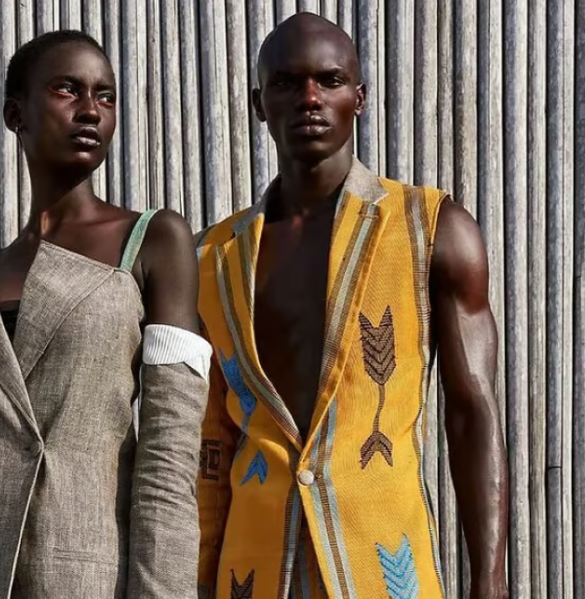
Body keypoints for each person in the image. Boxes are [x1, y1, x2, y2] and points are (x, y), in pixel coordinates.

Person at [195, 13, 509, 599]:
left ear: (359, 97)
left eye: (330, 80)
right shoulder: (213, 258)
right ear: (259, 104)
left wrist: (490, 583)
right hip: (252, 571)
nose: (310, 98)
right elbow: (209, 446)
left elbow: (473, 413)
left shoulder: (430, 230)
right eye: (286, 82)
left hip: (382, 568)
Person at [0, 30, 212, 599]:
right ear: (16, 114)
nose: (90, 109)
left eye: (105, 95)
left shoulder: (153, 241)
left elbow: (168, 455)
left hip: (84, 570)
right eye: (67, 90)